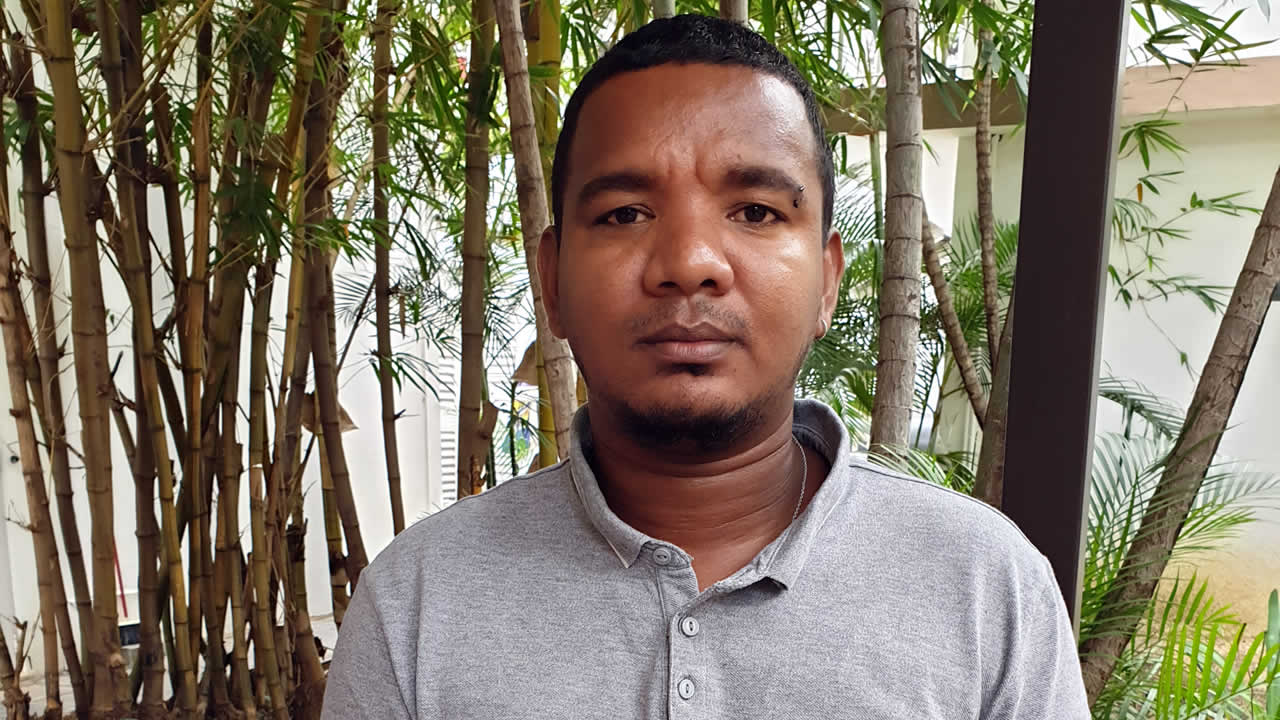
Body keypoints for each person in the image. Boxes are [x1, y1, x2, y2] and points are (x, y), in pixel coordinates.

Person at [322, 14, 1090, 719]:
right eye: (625, 214)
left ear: (827, 282)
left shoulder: (984, 586)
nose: (689, 262)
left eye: (755, 211)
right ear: (551, 282)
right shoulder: (417, 604)